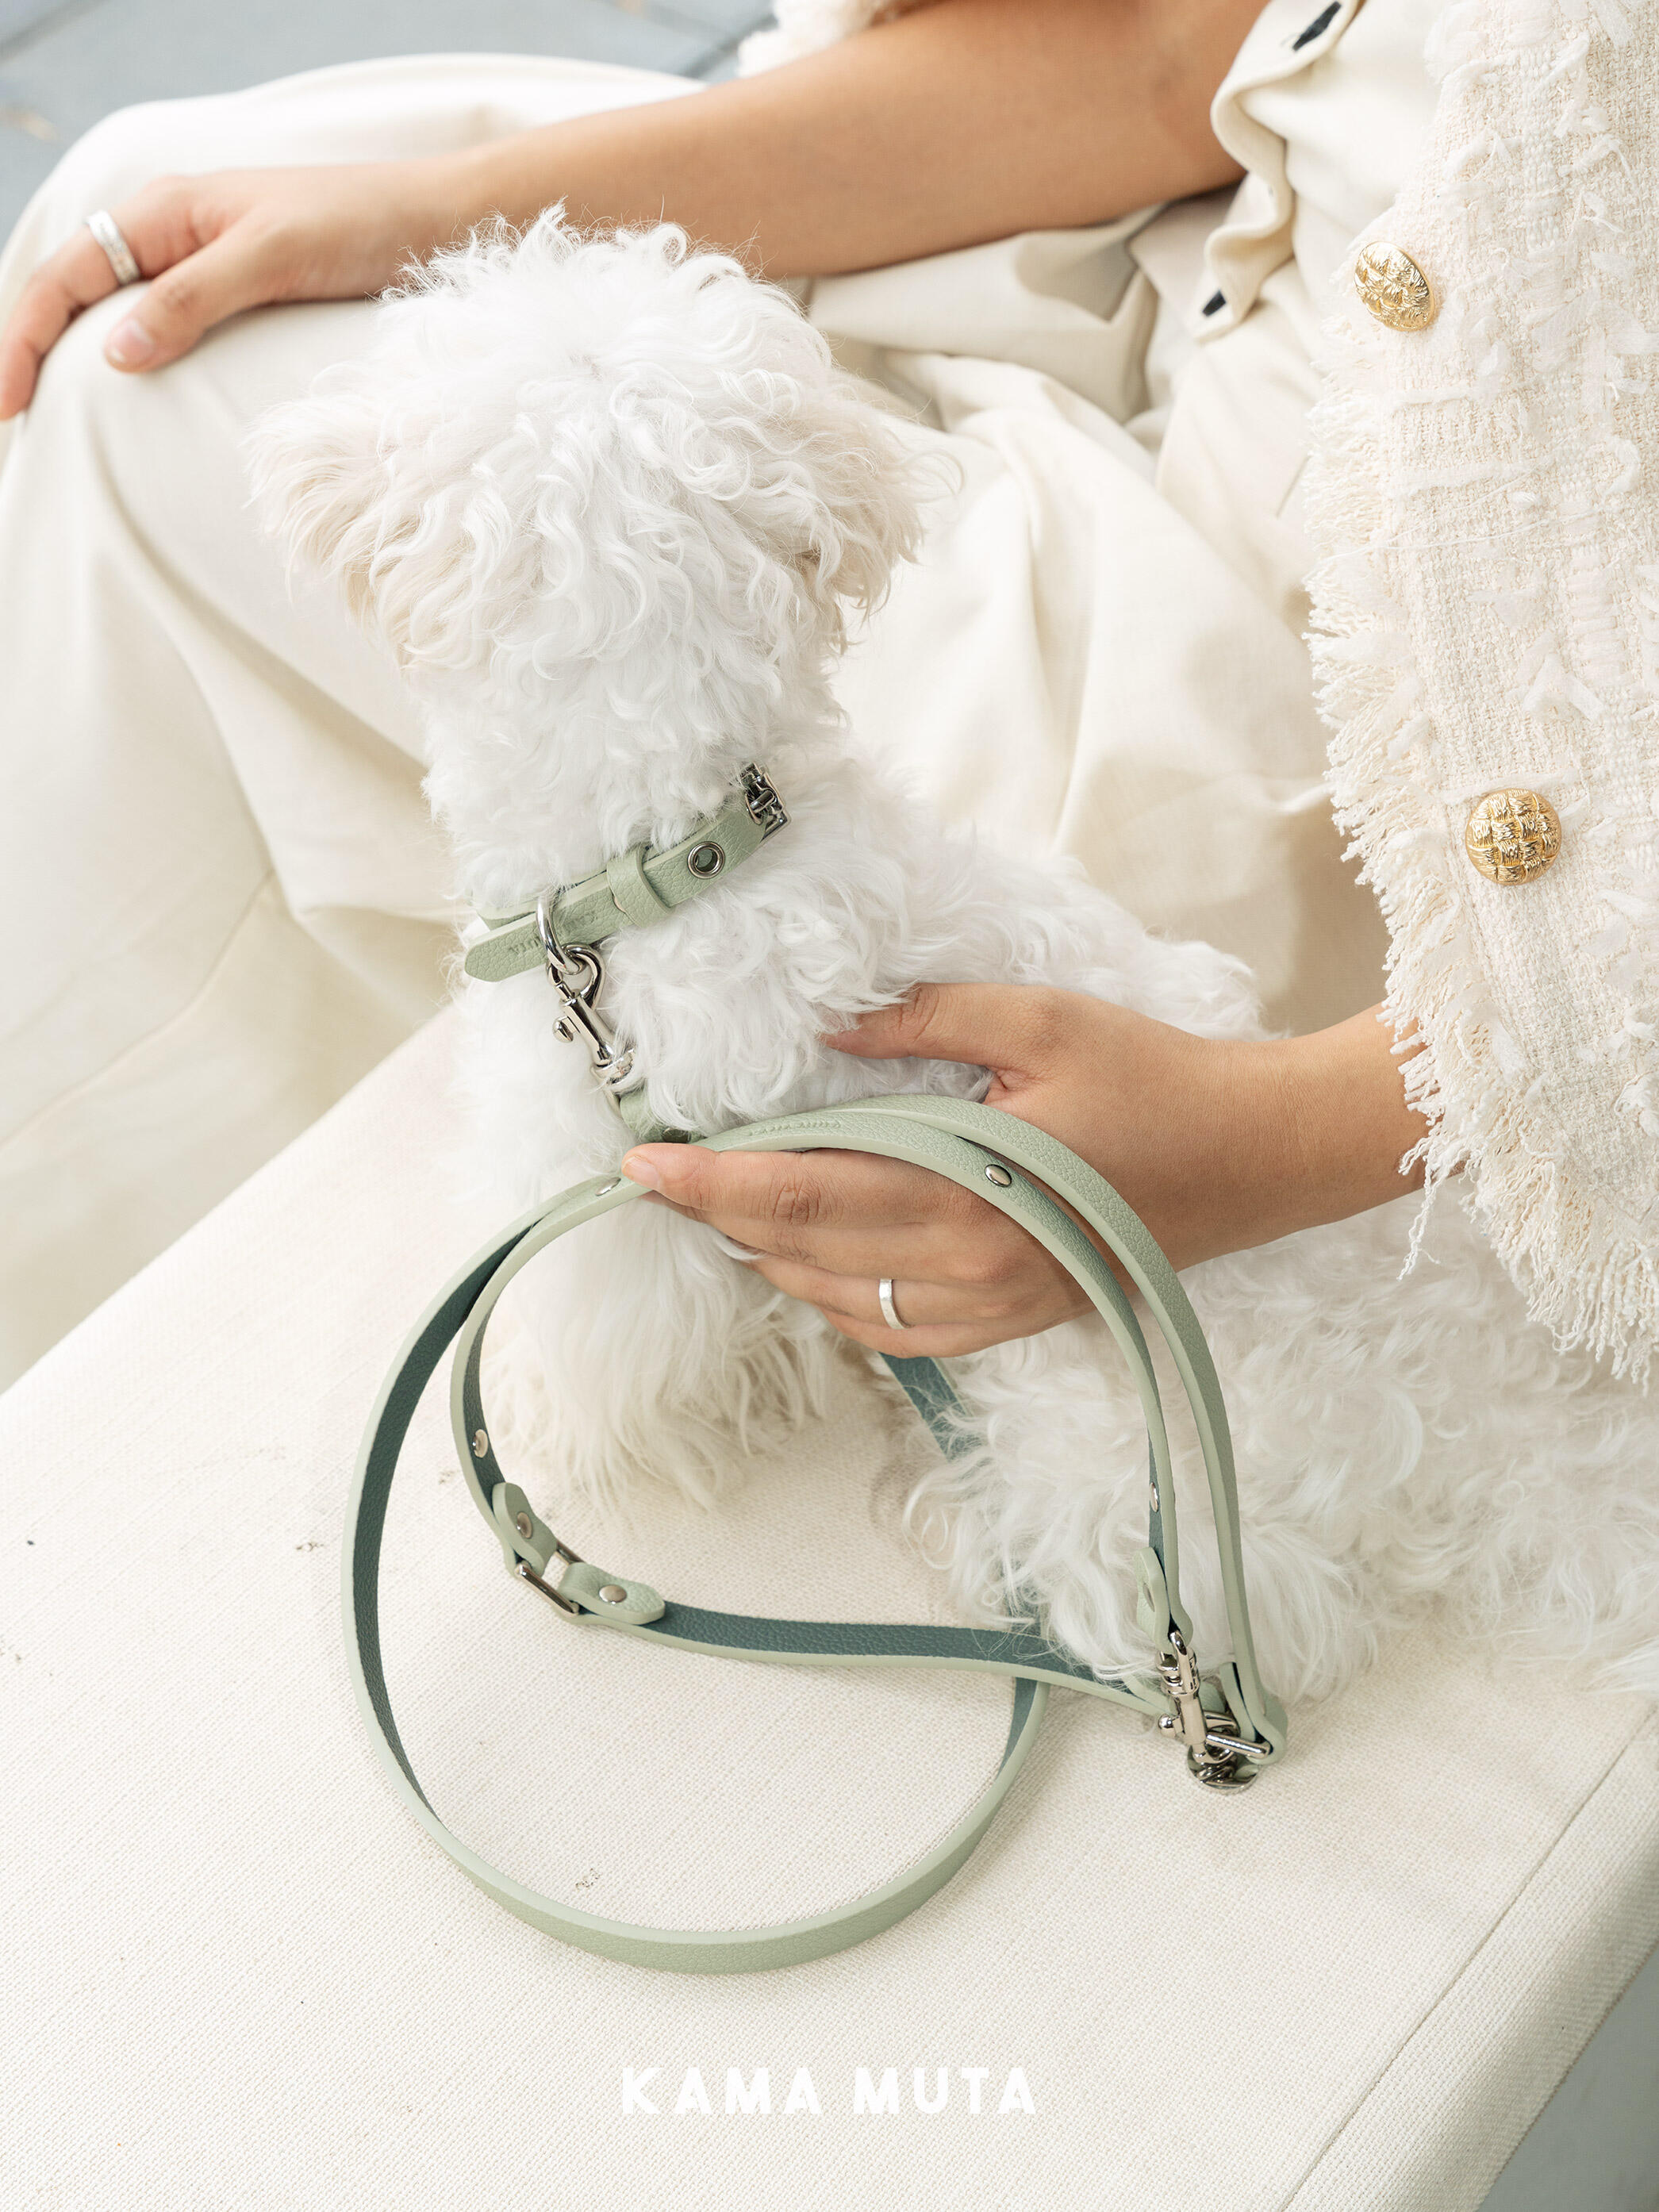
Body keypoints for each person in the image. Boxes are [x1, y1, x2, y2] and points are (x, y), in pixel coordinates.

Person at [5, 0, 1633, 1384]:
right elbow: (1163, 55)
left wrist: (1279, 1134)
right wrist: (410, 217)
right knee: (141, 212)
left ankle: (124, 1302)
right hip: (1178, 282)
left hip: (1382, 674)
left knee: (149, 414)